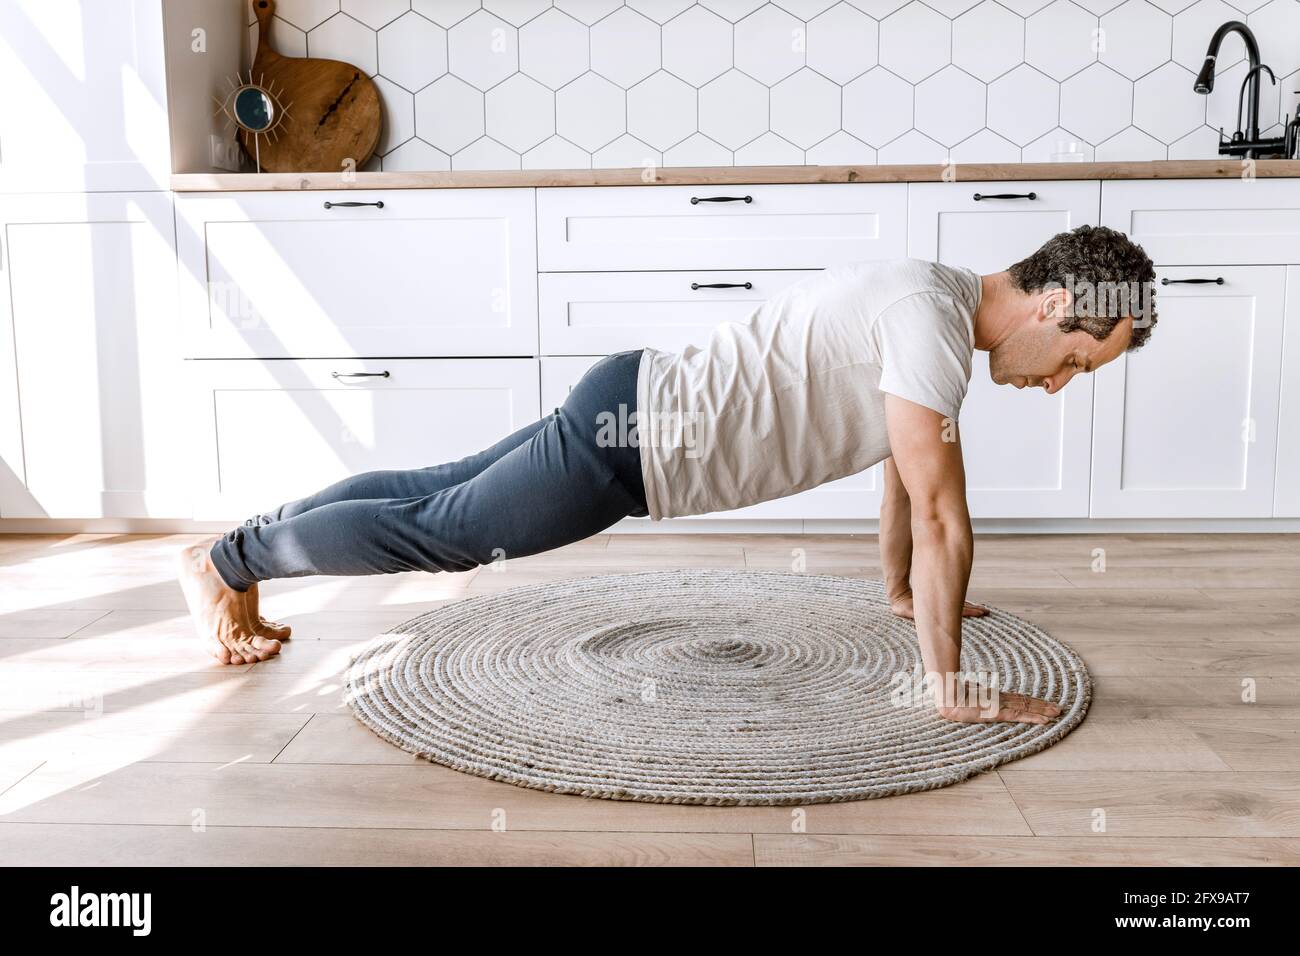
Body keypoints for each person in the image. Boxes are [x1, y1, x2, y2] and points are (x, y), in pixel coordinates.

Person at [178, 224, 1157, 724]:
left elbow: (907, 484)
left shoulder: (932, 308)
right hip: (633, 442)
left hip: (632, 403)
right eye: (1077, 359)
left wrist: (901, 592)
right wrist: (951, 687)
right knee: (441, 531)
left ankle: (234, 553)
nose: (1060, 384)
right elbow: (943, 511)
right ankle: (227, 559)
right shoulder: (931, 326)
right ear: (1056, 303)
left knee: (435, 491)